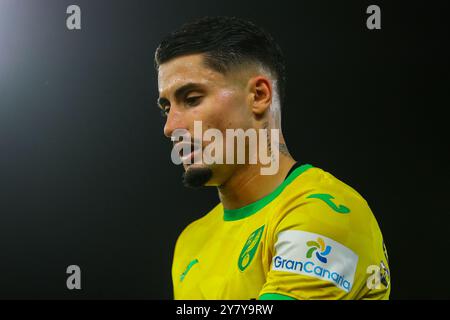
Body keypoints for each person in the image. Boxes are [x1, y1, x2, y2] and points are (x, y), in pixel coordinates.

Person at [154, 16, 390, 300]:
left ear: (258, 95)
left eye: (191, 99)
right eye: (166, 107)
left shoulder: (324, 212)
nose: (170, 127)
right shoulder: (190, 240)